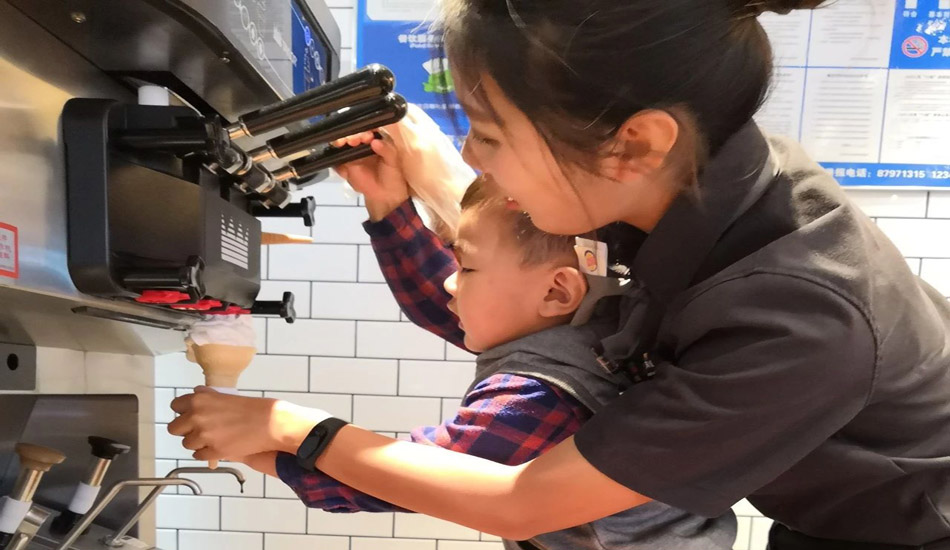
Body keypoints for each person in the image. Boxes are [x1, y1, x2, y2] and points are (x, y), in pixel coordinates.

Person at [169, 0, 950, 548]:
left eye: (489, 133)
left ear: (634, 144)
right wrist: (409, 194)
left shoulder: (799, 314)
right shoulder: (695, 188)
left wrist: (297, 429)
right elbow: (508, 288)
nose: (472, 156)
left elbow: (522, 502)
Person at [237, 176, 736, 549]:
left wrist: (258, 439)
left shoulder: (539, 395)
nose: (450, 282)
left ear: (557, 291)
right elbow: (445, 303)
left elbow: (403, 484)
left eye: (466, 267)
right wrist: (389, 204)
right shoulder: (603, 330)